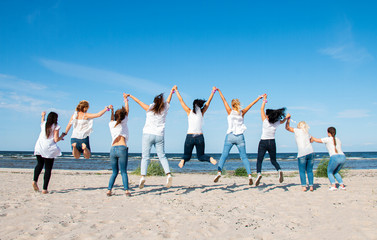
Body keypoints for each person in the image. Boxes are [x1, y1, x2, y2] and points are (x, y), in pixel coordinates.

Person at [128, 86, 175, 189]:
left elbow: (139, 102)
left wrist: (130, 96)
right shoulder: (164, 108)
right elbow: (169, 100)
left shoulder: (149, 108)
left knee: (145, 157)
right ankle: (168, 174)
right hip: (159, 135)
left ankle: (143, 176)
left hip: (147, 134)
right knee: (162, 156)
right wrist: (172, 91)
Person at [214, 89, 263, 185]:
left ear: (232, 105)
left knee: (224, 155)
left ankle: (219, 173)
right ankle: (249, 175)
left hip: (230, 136)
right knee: (244, 157)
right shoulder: (242, 112)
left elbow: (223, 100)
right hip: (240, 137)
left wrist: (219, 91)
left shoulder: (229, 111)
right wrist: (259, 98)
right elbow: (251, 104)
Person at [174, 85, 217, 168]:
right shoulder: (202, 112)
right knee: (201, 156)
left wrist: (176, 90)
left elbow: (181, 101)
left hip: (190, 136)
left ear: (193, 105)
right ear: (200, 106)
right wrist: (213, 92)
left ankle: (182, 160)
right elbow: (208, 102)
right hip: (199, 137)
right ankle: (210, 159)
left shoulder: (189, 111)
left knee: (187, 155)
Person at [255, 94, 289, 186]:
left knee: (259, 160)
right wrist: (287, 117)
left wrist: (264, 100)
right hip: (272, 142)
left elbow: (261, 109)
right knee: (273, 160)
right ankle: (279, 170)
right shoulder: (277, 122)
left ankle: (258, 174)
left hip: (263, 142)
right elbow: (283, 121)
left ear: (268, 116)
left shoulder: (265, 121)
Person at [33, 111, 65, 194]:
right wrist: (62, 136)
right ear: (55, 118)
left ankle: (34, 180)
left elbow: (42, 121)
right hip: (49, 148)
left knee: (39, 164)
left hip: (39, 146)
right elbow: (55, 139)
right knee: (48, 169)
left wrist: (42, 115)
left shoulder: (44, 124)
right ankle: (44, 189)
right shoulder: (56, 126)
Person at [107, 93, 131, 197]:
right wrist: (125, 99)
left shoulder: (111, 124)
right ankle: (126, 191)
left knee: (114, 172)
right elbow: (127, 110)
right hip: (122, 148)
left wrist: (111, 111)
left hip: (113, 149)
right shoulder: (124, 122)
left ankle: (109, 190)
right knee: (124, 172)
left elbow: (112, 119)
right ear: (122, 116)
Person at [285, 117, 315, 191]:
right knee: (309, 170)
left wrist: (288, 120)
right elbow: (311, 140)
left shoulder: (297, 131)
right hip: (311, 152)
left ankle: (304, 186)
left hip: (302, 153)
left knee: (302, 171)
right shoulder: (307, 133)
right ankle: (311, 186)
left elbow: (287, 128)